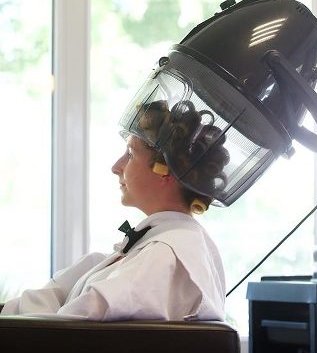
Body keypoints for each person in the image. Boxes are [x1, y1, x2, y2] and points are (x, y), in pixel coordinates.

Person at [0, 99, 228, 321]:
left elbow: (73, 329)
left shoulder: (165, 255)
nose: (116, 167)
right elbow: (54, 299)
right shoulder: (162, 246)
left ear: (166, 170)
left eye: (130, 154)